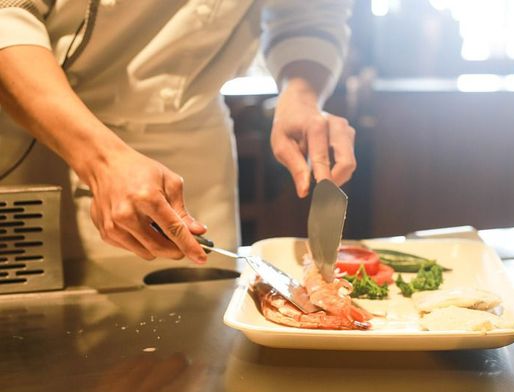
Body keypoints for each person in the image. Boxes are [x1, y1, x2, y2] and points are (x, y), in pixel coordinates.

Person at [0, 1, 356, 265]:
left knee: (207, 339)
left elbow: (309, 15)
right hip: (44, 128)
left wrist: (302, 95)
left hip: (194, 142)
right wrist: (102, 160)